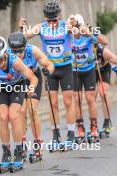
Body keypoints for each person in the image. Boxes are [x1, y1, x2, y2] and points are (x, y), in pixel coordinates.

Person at [0, 36, 38, 169]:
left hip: (17, 86)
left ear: (6, 54)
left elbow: (33, 78)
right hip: (1, 89)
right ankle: (6, 152)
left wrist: (31, 88)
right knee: (4, 117)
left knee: (14, 116)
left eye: (0, 60)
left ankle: (18, 150)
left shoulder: (15, 62)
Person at [19, 0, 76, 145]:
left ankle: (71, 133)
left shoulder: (65, 26)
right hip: (50, 70)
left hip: (66, 68)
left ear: (59, 17)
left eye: (55, 20)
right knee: (53, 103)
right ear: (46, 18)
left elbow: (77, 34)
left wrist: (76, 25)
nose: (52, 23)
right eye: (50, 20)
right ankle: (56, 133)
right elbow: (23, 37)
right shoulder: (41, 27)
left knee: (68, 101)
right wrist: (21, 28)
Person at [7, 32, 54, 159]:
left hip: (34, 79)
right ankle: (22, 144)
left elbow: (50, 64)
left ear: (25, 46)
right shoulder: (6, 54)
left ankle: (38, 142)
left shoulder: (33, 50)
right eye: (14, 51)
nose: (17, 54)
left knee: (32, 109)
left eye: (20, 51)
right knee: (21, 111)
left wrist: (48, 70)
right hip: (19, 81)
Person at [70, 14, 108, 143]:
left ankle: (94, 127)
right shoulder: (68, 36)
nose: (76, 29)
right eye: (73, 27)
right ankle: (80, 128)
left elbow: (105, 42)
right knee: (77, 99)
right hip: (75, 71)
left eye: (78, 26)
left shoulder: (88, 33)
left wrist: (92, 34)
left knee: (90, 98)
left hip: (89, 70)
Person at [95, 43, 117, 133]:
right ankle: (93, 124)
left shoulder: (103, 51)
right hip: (90, 72)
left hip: (103, 70)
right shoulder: (80, 49)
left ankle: (107, 121)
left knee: (103, 93)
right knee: (91, 96)